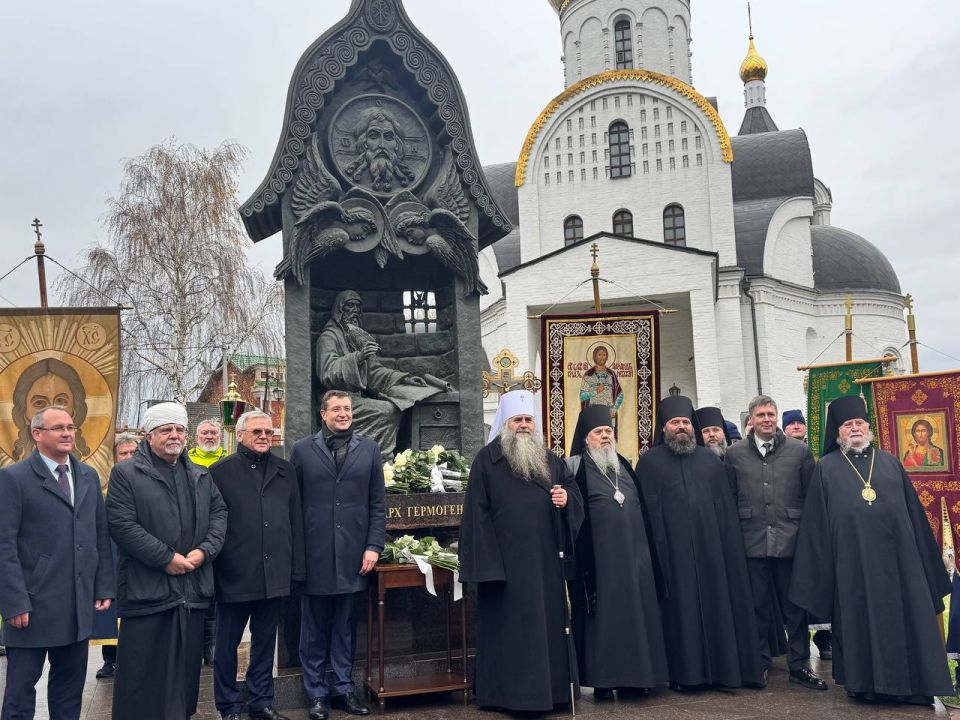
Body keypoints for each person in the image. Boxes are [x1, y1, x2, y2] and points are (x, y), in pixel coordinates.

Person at [791, 395, 953, 704]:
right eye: (847, 424)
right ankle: (866, 685)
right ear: (837, 432)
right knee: (859, 623)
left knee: (909, 621)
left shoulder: (891, 461)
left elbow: (914, 516)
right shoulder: (826, 468)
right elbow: (816, 527)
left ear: (868, 427)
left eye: (859, 423)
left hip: (901, 564)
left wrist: (925, 564)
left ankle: (916, 687)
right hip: (853, 566)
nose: (854, 428)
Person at [459, 390, 584, 713]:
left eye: (529, 419)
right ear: (506, 423)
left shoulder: (549, 459)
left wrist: (566, 500)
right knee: (511, 633)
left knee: (547, 628)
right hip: (506, 568)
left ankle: (552, 693)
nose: (524, 425)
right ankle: (508, 696)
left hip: (545, 565)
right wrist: (488, 569)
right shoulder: (487, 461)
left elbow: (571, 490)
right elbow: (477, 516)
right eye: (518, 420)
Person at [106, 402, 227, 720]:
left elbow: (219, 514)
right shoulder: (126, 474)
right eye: (166, 430)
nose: (174, 435)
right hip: (148, 593)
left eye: (179, 430)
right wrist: (165, 559)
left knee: (184, 682)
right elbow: (122, 524)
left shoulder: (200, 475)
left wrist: (204, 551)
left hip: (192, 592)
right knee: (143, 680)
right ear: (149, 436)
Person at [634, 395, 763, 690]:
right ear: (663, 428)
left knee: (717, 606)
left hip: (712, 555)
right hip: (672, 558)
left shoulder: (711, 461)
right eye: (675, 422)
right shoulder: (649, 463)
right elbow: (645, 514)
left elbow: (726, 513)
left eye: (685, 422)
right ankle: (684, 675)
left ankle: (722, 672)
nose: (681, 427)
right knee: (679, 613)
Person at [0, 407, 114, 719]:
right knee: (20, 694)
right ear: (37, 434)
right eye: (58, 428)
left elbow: (99, 535)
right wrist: (13, 602)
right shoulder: (13, 478)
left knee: (69, 693)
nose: (67, 433)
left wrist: (103, 584)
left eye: (71, 427)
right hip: (31, 608)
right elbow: (4, 546)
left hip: (75, 607)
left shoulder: (88, 476)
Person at [292, 390, 386, 719]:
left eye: (347, 408)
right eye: (336, 409)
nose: (343, 413)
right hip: (315, 553)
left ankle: (344, 689)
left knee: (345, 625)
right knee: (313, 626)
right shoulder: (302, 451)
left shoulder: (370, 450)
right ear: (323, 414)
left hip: (353, 554)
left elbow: (377, 503)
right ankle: (316, 693)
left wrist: (373, 546)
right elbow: (294, 504)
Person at [724, 396, 826, 690]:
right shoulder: (734, 455)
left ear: (777, 417)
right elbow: (729, 499)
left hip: (790, 542)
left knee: (794, 607)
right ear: (751, 419)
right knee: (757, 606)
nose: (767, 419)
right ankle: (759, 663)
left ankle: (798, 665)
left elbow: (810, 499)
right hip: (751, 542)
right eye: (761, 415)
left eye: (771, 414)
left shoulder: (799, 452)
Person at [565, 404, 666, 698]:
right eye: (598, 432)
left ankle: (640, 678)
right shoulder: (575, 468)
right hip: (600, 564)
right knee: (605, 622)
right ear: (586, 438)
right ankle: (604, 681)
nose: (605, 436)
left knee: (638, 617)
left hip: (636, 562)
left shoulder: (624, 466)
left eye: (609, 431)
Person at [210, 410, 304, 720]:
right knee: (227, 645)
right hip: (235, 573)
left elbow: (295, 522)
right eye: (257, 432)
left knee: (265, 643)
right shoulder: (219, 472)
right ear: (240, 436)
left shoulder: (285, 470)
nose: (264, 436)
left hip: (274, 573)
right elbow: (212, 525)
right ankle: (228, 705)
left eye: (268, 431)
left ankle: (261, 701)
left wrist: (296, 570)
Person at [316, 290, 449, 460]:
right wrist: (357, 358)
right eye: (350, 306)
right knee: (387, 410)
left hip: (355, 399)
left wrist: (404, 378)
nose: (355, 311)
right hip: (337, 400)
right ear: (339, 309)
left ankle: (377, 455)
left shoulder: (355, 339)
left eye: (358, 306)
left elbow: (374, 372)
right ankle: (377, 457)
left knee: (396, 405)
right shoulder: (328, 338)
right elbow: (327, 372)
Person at [91, 432, 139, 680]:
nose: (129, 457)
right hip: (112, 551)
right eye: (124, 453)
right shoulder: (103, 486)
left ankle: (135, 658)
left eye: (134, 452)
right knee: (111, 608)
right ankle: (110, 659)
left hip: (139, 555)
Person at [187, 417, 226, 665]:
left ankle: (212, 643)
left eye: (213, 433)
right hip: (194, 536)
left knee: (216, 597)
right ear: (196, 437)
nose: (209, 437)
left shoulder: (227, 459)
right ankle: (195, 643)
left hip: (221, 535)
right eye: (204, 433)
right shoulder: (187, 461)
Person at [10, 358, 92, 461]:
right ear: (24, 413)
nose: (52, 409)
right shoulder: (12, 476)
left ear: (75, 411)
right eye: (39, 403)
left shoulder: (90, 475)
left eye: (61, 401)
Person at [579, 345, 624, 433]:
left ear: (607, 357)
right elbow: (582, 396)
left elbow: (620, 394)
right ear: (595, 357)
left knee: (607, 438)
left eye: (604, 355)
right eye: (599, 355)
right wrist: (595, 391)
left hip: (608, 413)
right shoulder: (588, 375)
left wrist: (614, 409)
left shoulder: (612, 375)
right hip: (593, 412)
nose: (602, 357)